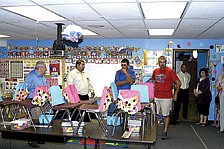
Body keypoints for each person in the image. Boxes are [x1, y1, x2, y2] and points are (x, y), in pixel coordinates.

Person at [152, 56, 180, 140]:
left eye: (163, 62)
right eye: (160, 62)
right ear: (158, 63)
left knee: (166, 114)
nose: (162, 64)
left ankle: (165, 131)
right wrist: (154, 87)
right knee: (154, 114)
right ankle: (154, 131)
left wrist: (175, 94)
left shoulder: (170, 71)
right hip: (156, 96)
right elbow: (153, 80)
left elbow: (178, 83)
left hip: (166, 97)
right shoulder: (155, 71)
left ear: (166, 62)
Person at [24, 60, 47, 148]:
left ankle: (38, 137)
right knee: (34, 120)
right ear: (40, 68)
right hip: (33, 101)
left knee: (40, 120)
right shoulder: (31, 76)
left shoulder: (42, 76)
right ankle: (31, 140)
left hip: (41, 101)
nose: (45, 69)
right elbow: (26, 87)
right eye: (44, 67)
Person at [216, 63, 224, 132]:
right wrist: (218, 87)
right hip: (221, 95)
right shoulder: (220, 75)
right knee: (221, 111)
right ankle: (222, 127)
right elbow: (217, 85)